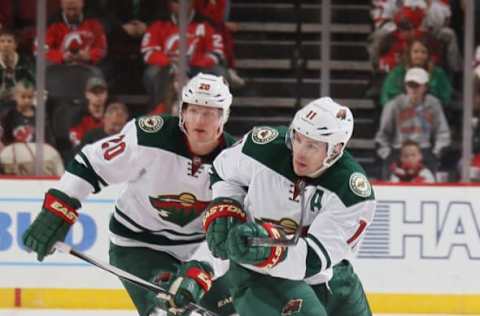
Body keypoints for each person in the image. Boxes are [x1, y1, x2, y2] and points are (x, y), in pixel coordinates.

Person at [22, 73, 237, 316]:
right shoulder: (150, 136)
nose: (199, 119)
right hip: (138, 245)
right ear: (182, 111)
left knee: (235, 310)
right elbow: (91, 163)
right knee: (164, 311)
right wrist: (57, 209)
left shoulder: (235, 164)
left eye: (209, 113)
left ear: (223, 117)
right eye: (193, 110)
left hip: (195, 249)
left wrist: (200, 269)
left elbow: (226, 237)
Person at [176, 97, 375, 315]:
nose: (300, 151)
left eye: (312, 146)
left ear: (335, 150)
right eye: (298, 139)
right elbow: (223, 172)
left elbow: (312, 260)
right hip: (258, 276)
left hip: (328, 275)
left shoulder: (351, 193)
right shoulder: (262, 147)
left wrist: (268, 247)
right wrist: (227, 202)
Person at [141, 0, 226, 113]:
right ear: (169, 4)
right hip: (167, 68)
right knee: (152, 73)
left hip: (197, 67)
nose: (182, 5)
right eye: (176, 2)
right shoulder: (158, 24)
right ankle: (158, 113)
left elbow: (216, 52)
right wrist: (170, 62)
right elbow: (148, 51)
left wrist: (192, 63)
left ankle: (211, 113)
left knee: (219, 73)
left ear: (193, 3)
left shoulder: (206, 23)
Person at [375, 67, 451, 178]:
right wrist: (387, 155)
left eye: (417, 86)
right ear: (405, 86)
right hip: (398, 150)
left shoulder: (434, 104)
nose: (413, 89)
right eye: (410, 85)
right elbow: (382, 135)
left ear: (425, 87)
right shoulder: (393, 105)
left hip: (424, 151)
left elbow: (443, 132)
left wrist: (436, 153)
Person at [0, 29, 35, 111]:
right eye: (2, 41)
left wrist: (20, 91)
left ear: (16, 44)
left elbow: (34, 82)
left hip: (22, 101)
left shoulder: (26, 62)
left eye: (9, 41)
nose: (5, 45)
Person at [69, 77, 109, 147]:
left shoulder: (112, 114)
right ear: (87, 94)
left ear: (106, 94)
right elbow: (77, 143)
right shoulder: (78, 116)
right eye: (94, 92)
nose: (98, 96)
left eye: (101, 92)